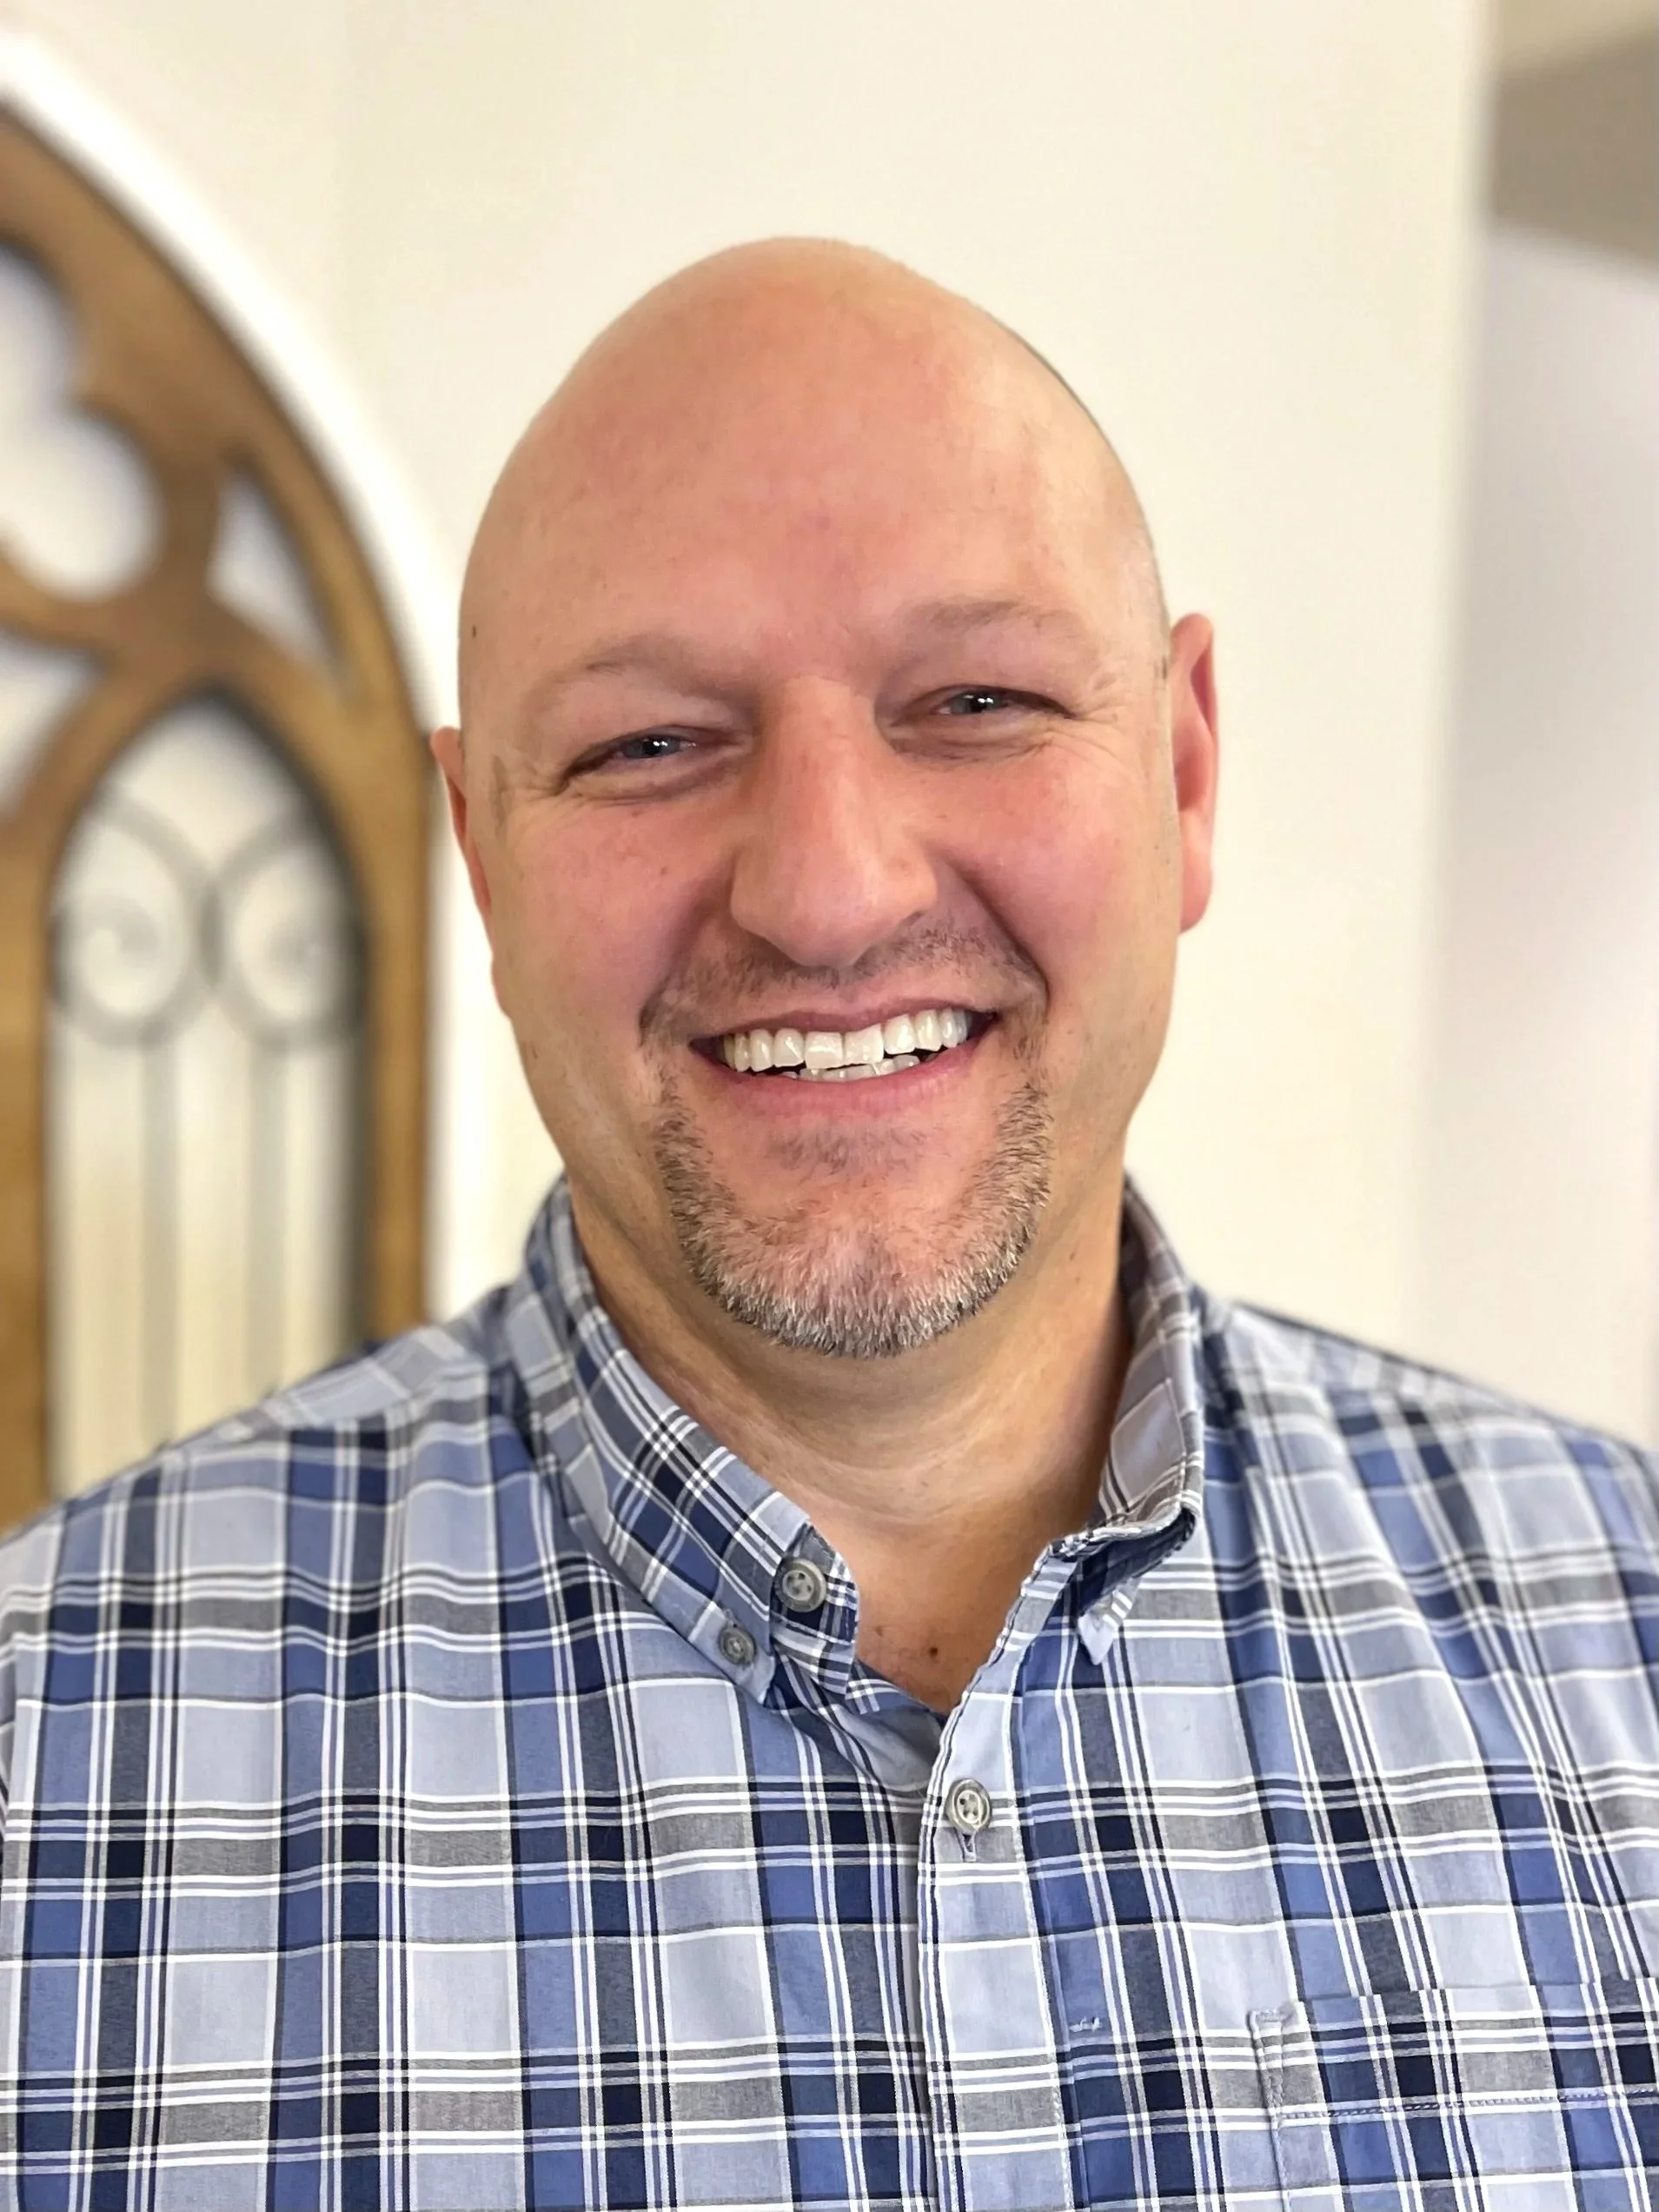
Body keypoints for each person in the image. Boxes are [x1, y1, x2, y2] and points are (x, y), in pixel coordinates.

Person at [3, 240, 1656, 2212]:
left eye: (976, 698)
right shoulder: (42, 1758)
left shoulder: (1628, 1638)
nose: (827, 890)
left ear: (1189, 769)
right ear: (484, 856)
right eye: (647, 744)